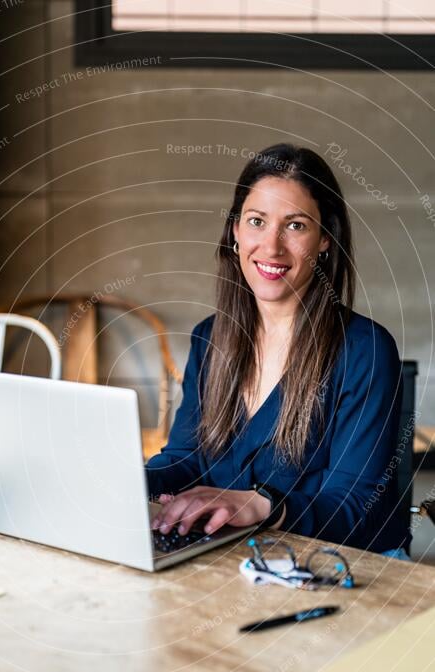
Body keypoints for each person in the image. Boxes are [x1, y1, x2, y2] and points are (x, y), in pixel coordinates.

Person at [146, 142, 411, 558]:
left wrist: (260, 504)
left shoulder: (366, 351)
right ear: (235, 230)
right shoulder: (209, 338)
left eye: (295, 226)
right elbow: (186, 459)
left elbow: (359, 506)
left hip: (344, 565)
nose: (271, 247)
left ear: (325, 238)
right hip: (238, 553)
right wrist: (126, 481)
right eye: (257, 221)